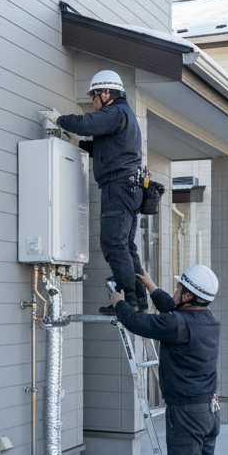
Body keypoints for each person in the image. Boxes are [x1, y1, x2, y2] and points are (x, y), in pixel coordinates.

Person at [110, 264, 226, 455]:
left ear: (188, 295)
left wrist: (119, 303)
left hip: (187, 414)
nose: (175, 292)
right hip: (208, 411)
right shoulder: (208, 319)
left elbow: (140, 323)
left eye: (178, 288)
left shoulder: (179, 324)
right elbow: (173, 312)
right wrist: (150, 286)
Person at [45, 71, 146, 311]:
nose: (93, 101)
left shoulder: (114, 112)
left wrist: (60, 120)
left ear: (106, 93)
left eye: (94, 96)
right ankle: (138, 297)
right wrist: (77, 144)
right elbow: (107, 148)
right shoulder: (124, 116)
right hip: (129, 187)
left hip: (118, 186)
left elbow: (87, 123)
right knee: (126, 246)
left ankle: (127, 300)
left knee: (114, 244)